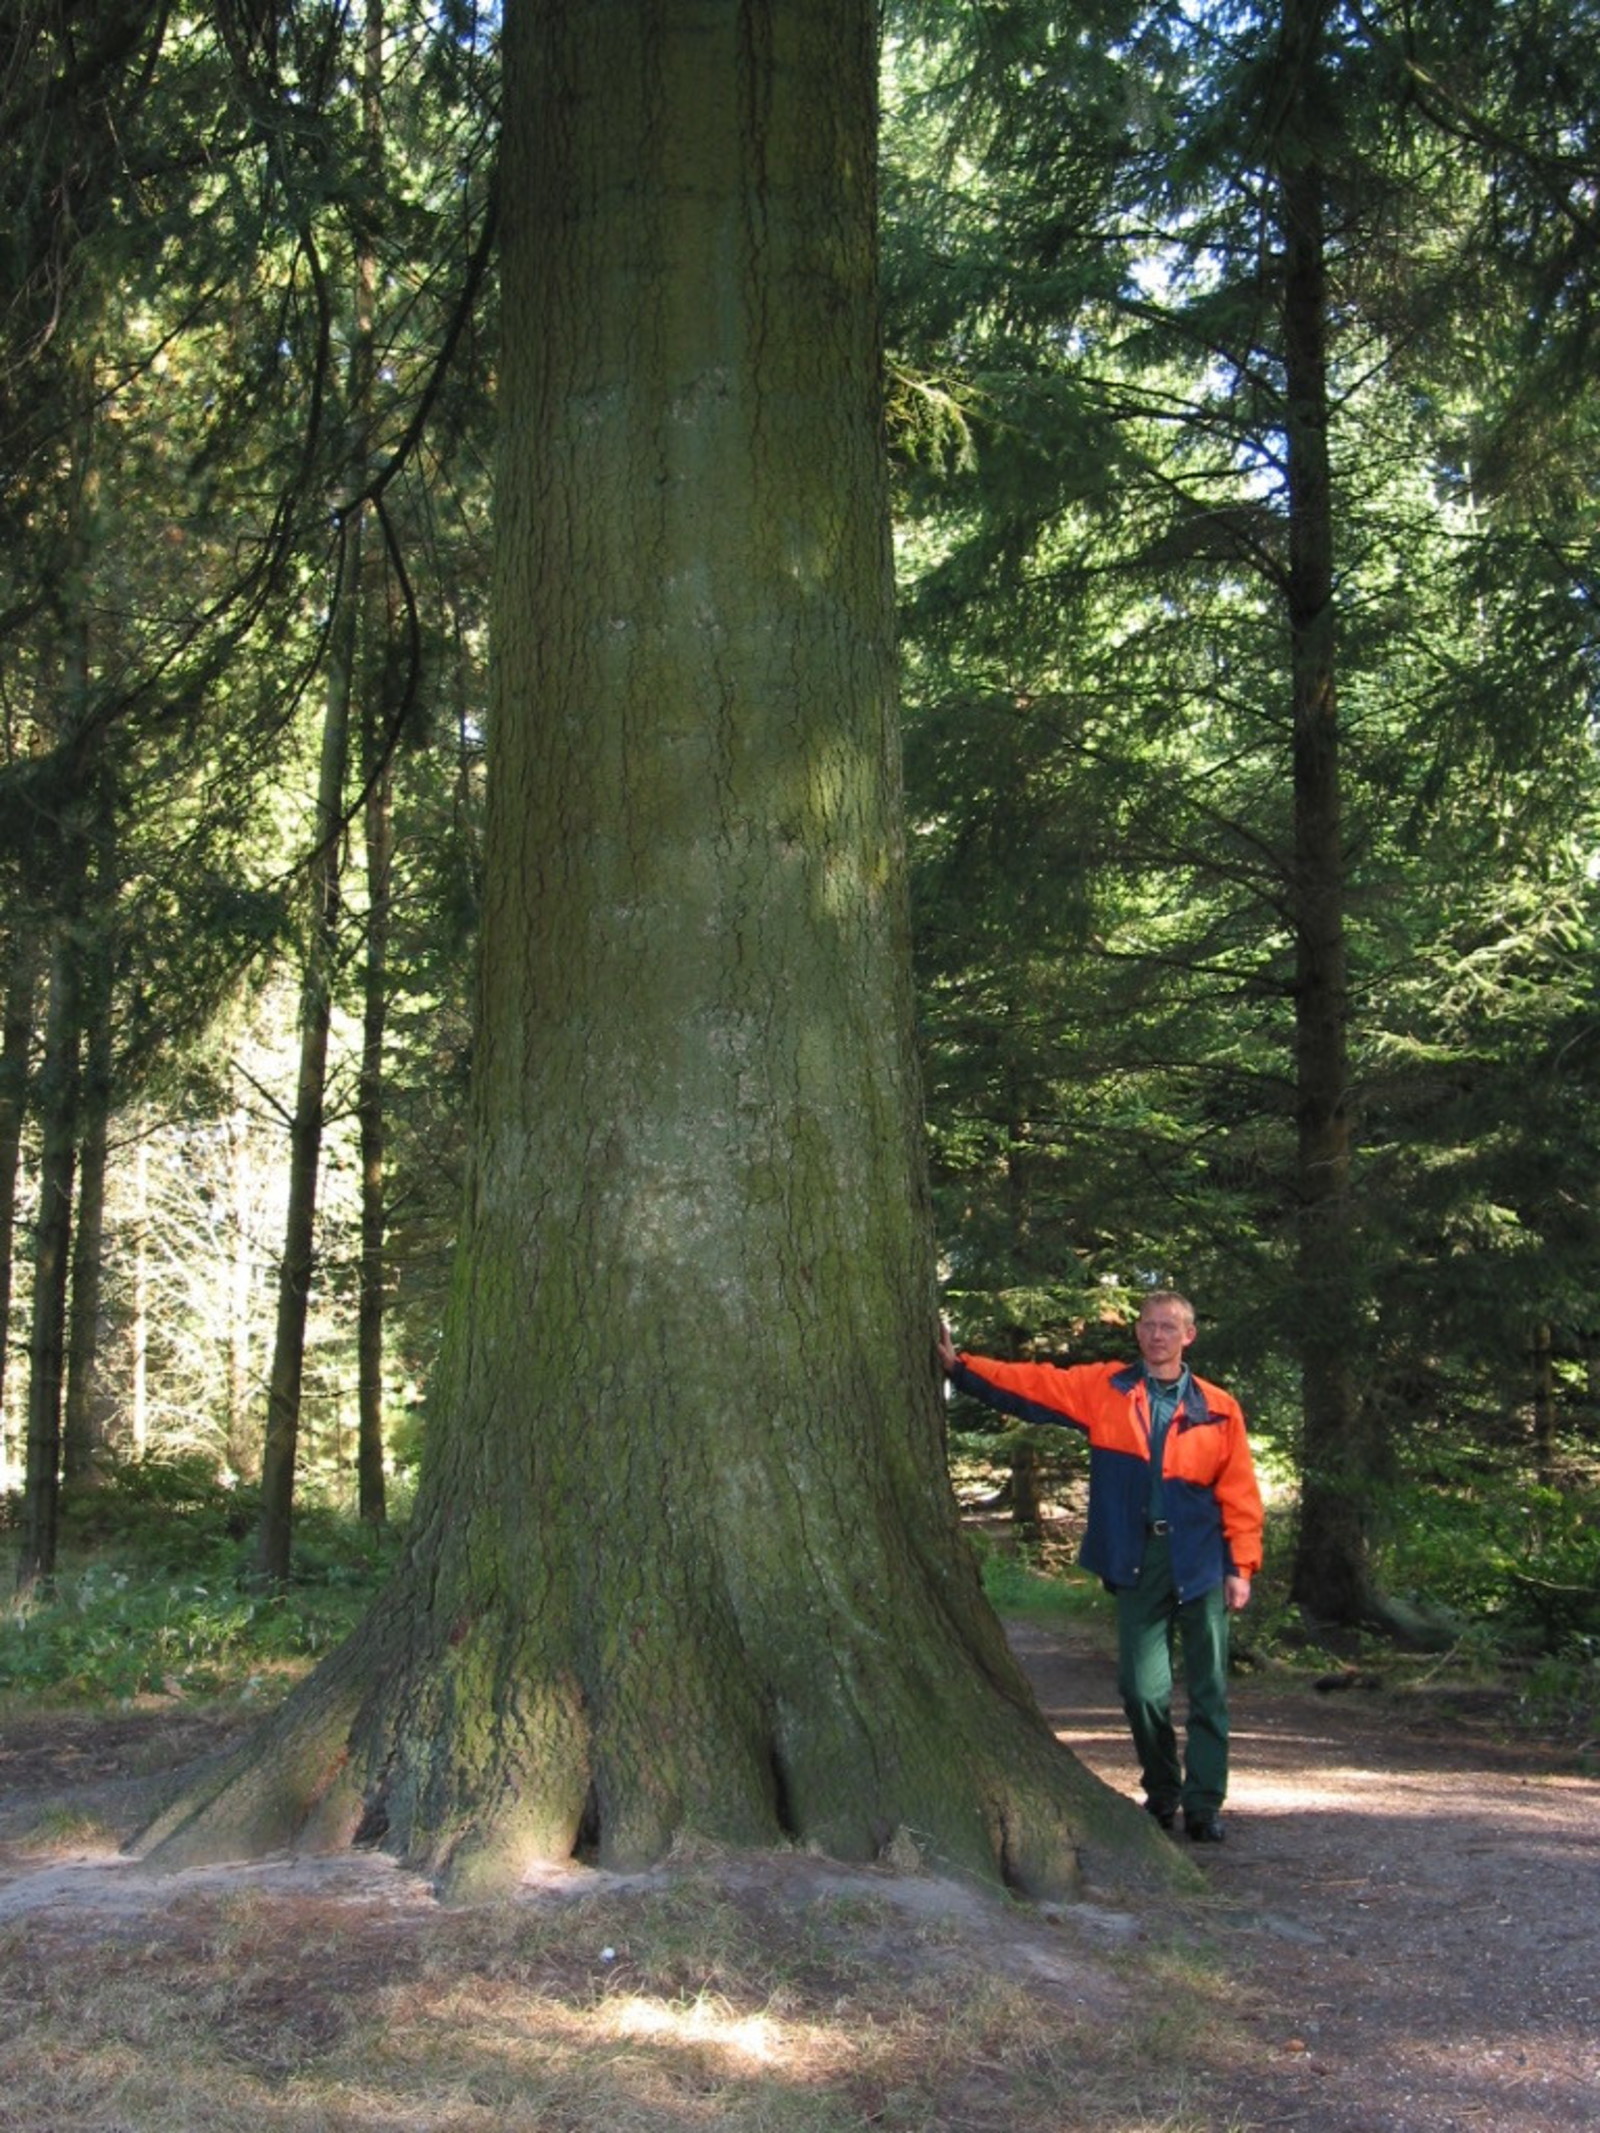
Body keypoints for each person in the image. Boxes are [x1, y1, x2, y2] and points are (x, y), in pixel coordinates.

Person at [937, 1290, 1263, 1843]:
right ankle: (1162, 1792)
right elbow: (1034, 1384)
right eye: (1148, 1325)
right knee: (1141, 1690)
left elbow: (1240, 1493)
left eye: (1168, 1327)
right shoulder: (1106, 1389)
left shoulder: (1219, 1407)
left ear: (1188, 1336)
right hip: (1137, 1558)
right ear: (1138, 1333)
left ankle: (1205, 1804)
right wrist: (961, 1368)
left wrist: (1242, 1566)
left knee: (1209, 1687)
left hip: (1203, 1559)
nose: (1156, 1335)